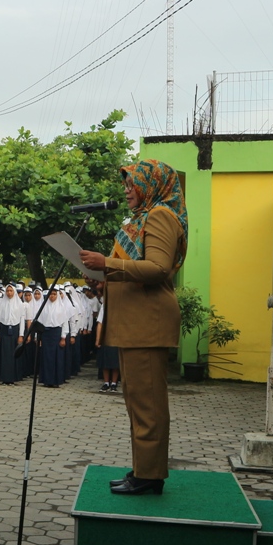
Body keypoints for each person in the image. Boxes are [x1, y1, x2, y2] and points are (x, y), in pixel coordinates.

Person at [79, 159, 187, 497]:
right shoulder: (142, 218)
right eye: (125, 185)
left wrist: (106, 263)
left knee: (148, 403)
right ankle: (143, 468)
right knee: (137, 400)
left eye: (132, 184)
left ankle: (150, 476)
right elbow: (134, 270)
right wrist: (102, 281)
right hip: (135, 324)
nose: (126, 191)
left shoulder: (160, 216)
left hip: (147, 323)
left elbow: (157, 268)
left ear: (151, 185)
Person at [0, 284, 25, 385]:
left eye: (11, 291)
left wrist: (21, 335)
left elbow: (22, 320)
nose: (9, 293)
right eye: (7, 291)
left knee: (13, 354)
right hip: (4, 330)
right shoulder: (1, 304)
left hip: (15, 331)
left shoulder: (19, 304)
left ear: (14, 292)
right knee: (4, 354)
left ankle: (13, 378)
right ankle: (4, 377)